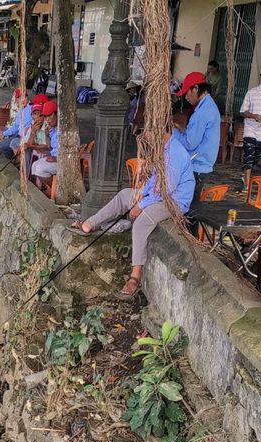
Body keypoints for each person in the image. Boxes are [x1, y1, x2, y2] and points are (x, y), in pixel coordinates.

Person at [68, 132, 195, 300]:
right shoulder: (162, 149)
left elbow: (166, 189)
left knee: (142, 222)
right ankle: (90, 223)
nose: (146, 134)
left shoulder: (176, 152)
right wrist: (140, 194)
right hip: (158, 196)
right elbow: (154, 181)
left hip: (174, 202)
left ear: (161, 129)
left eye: (150, 130)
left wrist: (141, 205)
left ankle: (135, 276)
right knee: (125, 195)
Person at [172, 71, 221, 200]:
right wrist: (183, 129)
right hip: (202, 166)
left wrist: (173, 132)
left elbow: (190, 143)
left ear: (196, 89)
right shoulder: (209, 105)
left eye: (187, 92)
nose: (186, 98)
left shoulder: (202, 112)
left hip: (197, 166)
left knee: (189, 208)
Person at [0, 89, 33, 159]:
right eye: (19, 98)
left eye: (24, 97)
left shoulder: (32, 108)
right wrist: (4, 134)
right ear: (16, 100)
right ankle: (11, 160)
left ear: (27, 97)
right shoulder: (20, 110)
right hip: (18, 136)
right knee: (1, 143)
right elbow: (15, 127)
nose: (22, 100)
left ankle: (12, 161)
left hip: (26, 138)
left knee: (2, 144)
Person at [30, 100, 59, 182]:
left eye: (50, 115)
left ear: (57, 114)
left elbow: (73, 152)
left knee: (40, 169)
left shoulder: (66, 130)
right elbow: (50, 148)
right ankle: (51, 187)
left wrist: (57, 158)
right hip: (53, 157)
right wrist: (47, 136)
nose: (48, 119)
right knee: (34, 165)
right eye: (46, 116)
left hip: (63, 161)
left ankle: (55, 188)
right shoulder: (53, 129)